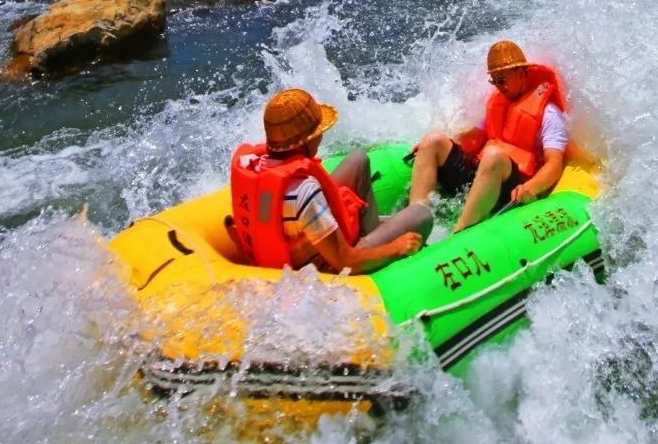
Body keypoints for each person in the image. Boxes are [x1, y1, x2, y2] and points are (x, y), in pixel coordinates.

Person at [227, 88, 432, 273]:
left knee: (358, 159)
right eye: (319, 133)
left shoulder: (255, 166)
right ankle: (376, 242)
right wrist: (394, 248)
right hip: (328, 265)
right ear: (307, 140)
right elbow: (343, 261)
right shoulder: (304, 190)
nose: (321, 138)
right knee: (420, 215)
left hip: (292, 246)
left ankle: (375, 230)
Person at [409, 40, 569, 231]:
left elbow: (554, 164)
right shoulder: (498, 101)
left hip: (512, 187)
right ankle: (415, 224)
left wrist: (531, 187)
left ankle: (459, 232)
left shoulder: (549, 113)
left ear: (521, 72)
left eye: (502, 80)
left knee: (493, 156)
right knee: (433, 140)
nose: (498, 87)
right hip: (484, 176)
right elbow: (477, 136)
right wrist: (446, 144)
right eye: (494, 81)